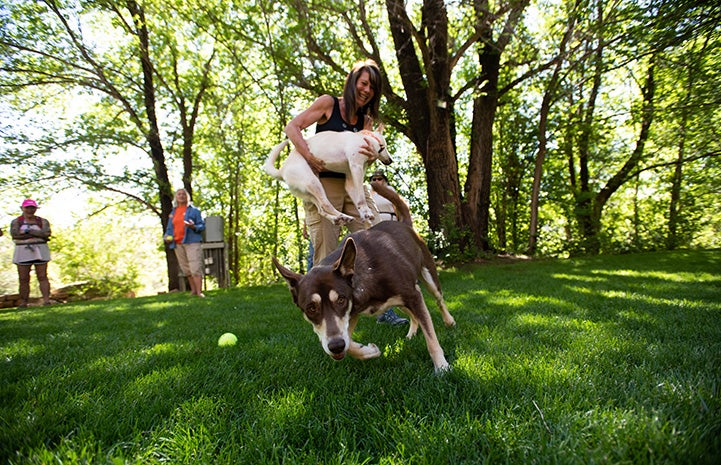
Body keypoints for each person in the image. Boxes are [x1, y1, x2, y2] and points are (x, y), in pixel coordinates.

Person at [285, 58, 382, 265]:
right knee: (325, 255)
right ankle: (316, 295)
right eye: (364, 83)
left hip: (353, 186)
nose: (367, 90)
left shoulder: (366, 122)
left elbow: (362, 163)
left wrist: (372, 158)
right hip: (325, 184)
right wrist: (309, 158)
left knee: (375, 237)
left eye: (372, 88)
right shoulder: (329, 104)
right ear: (353, 81)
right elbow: (292, 127)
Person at [369, 170, 410, 326]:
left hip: (390, 227)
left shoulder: (390, 191)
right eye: (374, 178)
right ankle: (385, 313)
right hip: (373, 230)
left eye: (380, 178)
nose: (377, 181)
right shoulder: (368, 194)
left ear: (385, 180)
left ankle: (385, 312)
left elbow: (398, 208)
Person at [164, 188, 206, 297]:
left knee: (195, 267)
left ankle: (199, 292)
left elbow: (202, 226)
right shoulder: (173, 213)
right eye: (179, 194)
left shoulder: (194, 211)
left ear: (187, 197)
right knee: (186, 268)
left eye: (184, 194)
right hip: (178, 243)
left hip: (192, 242)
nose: (181, 196)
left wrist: (193, 226)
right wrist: (166, 237)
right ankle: (193, 291)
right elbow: (169, 229)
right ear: (176, 197)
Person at [10, 199, 52, 308]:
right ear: (22, 208)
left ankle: (46, 300)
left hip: (40, 249)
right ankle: (24, 302)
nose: (30, 210)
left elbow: (46, 234)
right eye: (27, 208)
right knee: (23, 278)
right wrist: (38, 235)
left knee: (42, 276)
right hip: (22, 250)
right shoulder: (16, 222)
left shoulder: (43, 221)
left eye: (32, 208)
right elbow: (15, 235)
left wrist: (27, 232)